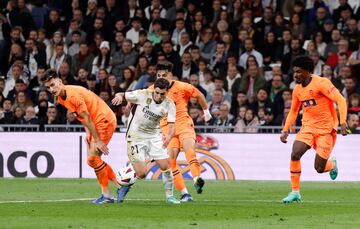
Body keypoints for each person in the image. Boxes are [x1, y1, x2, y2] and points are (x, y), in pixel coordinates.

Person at [43, 69, 120, 204]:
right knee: (92, 161)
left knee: (93, 159)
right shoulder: (61, 97)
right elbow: (82, 116)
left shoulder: (73, 95)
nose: (51, 89)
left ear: (60, 82)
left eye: (53, 84)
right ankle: (116, 188)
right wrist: (88, 132)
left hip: (103, 120)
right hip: (95, 122)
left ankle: (113, 191)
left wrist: (97, 140)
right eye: (48, 87)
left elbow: (87, 117)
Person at [280, 56, 348, 203]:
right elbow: (293, 111)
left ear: (308, 71)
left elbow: (341, 100)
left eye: (299, 72)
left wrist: (343, 121)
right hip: (308, 127)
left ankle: (332, 164)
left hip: (326, 129)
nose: (295, 75)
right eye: (294, 72)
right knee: (295, 153)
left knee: (319, 168)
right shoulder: (297, 90)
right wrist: (285, 130)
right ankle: (295, 192)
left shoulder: (322, 83)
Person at [111, 78, 180, 204]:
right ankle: (125, 186)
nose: (159, 96)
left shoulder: (170, 104)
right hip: (135, 136)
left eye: (162, 94)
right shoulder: (142, 95)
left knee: (166, 167)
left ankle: (170, 197)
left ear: (167, 92)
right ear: (154, 89)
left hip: (154, 136)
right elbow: (121, 94)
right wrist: (119, 97)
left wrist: (169, 137)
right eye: (157, 93)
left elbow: (172, 125)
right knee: (142, 173)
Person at [154, 62, 212, 202]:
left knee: (190, 152)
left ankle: (197, 179)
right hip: (167, 129)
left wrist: (206, 111)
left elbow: (199, 95)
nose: (162, 77)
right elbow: (138, 98)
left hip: (183, 123)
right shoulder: (153, 89)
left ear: (171, 75)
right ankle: (185, 194)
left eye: (164, 75)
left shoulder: (183, 86)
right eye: (159, 75)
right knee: (170, 162)